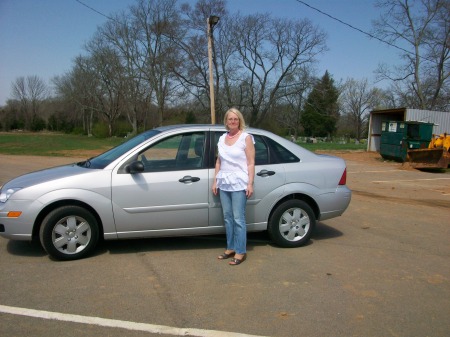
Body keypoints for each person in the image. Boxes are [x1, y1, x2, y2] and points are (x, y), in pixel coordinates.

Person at [212, 108, 255, 266]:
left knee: (238, 218)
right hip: (224, 182)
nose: (233, 121)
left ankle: (240, 251)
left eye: (235, 119)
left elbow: (250, 162)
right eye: (230, 119)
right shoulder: (222, 138)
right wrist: (216, 180)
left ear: (240, 120)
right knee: (228, 218)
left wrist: (250, 183)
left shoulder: (246, 138)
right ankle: (230, 247)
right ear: (226, 121)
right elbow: (219, 162)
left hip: (239, 182)